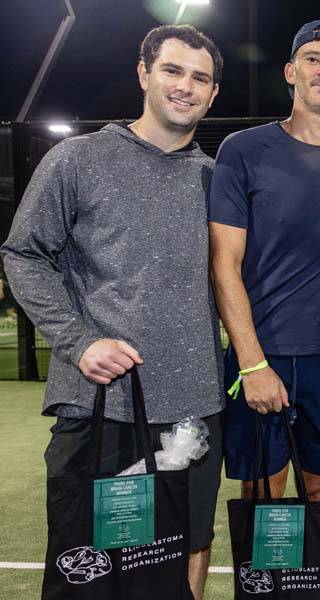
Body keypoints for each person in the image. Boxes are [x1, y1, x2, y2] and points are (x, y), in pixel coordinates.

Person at [1, 25, 224, 600]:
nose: (185, 86)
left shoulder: (219, 178)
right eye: (172, 70)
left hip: (193, 409)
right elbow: (22, 254)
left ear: (213, 94)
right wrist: (79, 341)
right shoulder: (76, 159)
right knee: (90, 572)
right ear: (144, 74)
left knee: (187, 551)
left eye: (200, 78)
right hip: (98, 405)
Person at [208, 21, 320, 503]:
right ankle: (266, 585)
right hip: (264, 354)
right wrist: (252, 362)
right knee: (262, 488)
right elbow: (224, 264)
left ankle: (309, 583)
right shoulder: (243, 150)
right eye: (313, 59)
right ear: (290, 71)